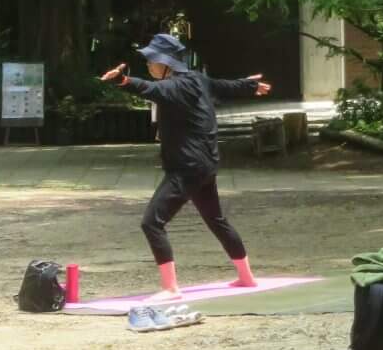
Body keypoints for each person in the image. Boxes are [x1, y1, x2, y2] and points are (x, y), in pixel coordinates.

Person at [101, 33, 271, 298]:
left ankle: (170, 289)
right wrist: (248, 86)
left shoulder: (176, 86)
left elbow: (150, 89)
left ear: (166, 62)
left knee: (152, 223)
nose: (148, 65)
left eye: (151, 60)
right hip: (205, 165)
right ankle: (246, 277)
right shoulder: (197, 80)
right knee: (216, 219)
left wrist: (123, 81)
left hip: (186, 167)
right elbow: (222, 85)